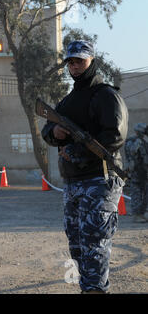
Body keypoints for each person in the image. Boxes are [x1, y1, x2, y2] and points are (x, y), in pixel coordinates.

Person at [41, 40, 128, 294]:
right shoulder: (67, 101)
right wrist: (55, 133)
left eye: (80, 60)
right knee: (77, 244)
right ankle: (89, 287)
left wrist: (78, 151)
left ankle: (95, 290)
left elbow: (115, 135)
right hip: (73, 182)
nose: (75, 66)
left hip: (100, 180)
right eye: (71, 61)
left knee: (95, 242)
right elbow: (48, 131)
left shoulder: (106, 95)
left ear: (91, 61)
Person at [124, 123, 148, 223]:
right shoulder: (136, 141)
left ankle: (140, 214)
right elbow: (135, 155)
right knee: (138, 193)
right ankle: (138, 215)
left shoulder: (137, 140)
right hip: (139, 171)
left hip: (140, 171)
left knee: (142, 193)